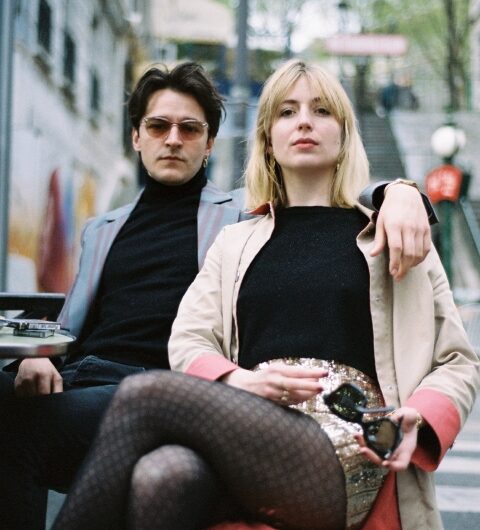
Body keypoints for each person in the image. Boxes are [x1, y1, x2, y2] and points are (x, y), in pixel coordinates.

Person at [0, 61, 431, 530]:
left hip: (171, 389)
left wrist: (399, 192)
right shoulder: (100, 228)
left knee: (27, 426)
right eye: (158, 126)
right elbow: (72, 319)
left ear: (209, 144)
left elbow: (315, 184)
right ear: (136, 137)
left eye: (189, 129)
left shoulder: (242, 216)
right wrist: (39, 357)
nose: (173, 139)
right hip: (86, 374)